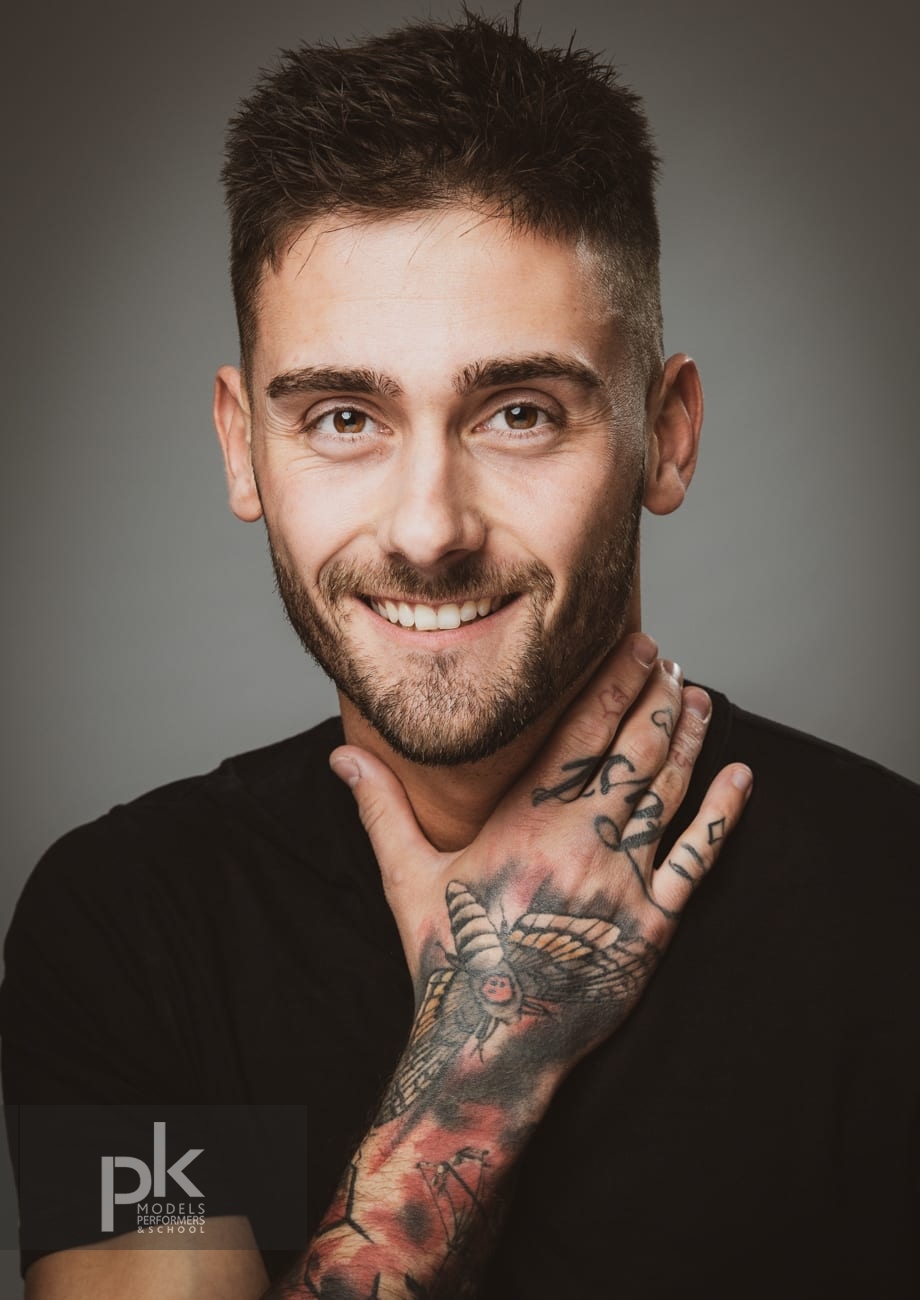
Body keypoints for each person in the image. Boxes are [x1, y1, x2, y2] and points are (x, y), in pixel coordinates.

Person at [1, 11, 917, 1300]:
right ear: (241, 448)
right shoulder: (127, 929)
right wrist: (486, 1044)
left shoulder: (897, 904)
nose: (429, 529)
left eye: (519, 413)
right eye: (342, 417)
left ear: (666, 435)